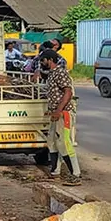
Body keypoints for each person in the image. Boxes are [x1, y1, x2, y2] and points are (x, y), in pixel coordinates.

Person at [39, 49, 81, 185]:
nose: (42, 63)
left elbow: (67, 92)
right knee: (52, 142)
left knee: (64, 143)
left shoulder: (60, 73)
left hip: (63, 114)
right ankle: (55, 171)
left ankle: (75, 174)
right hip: (55, 114)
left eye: (43, 60)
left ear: (50, 60)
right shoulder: (52, 74)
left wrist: (58, 110)